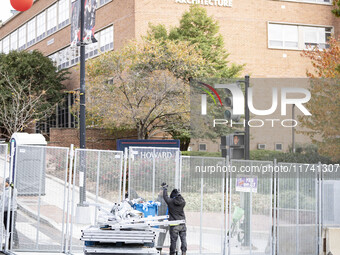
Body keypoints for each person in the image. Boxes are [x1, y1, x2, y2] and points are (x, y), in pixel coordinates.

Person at [161, 182, 187, 255]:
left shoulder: (170, 202)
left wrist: (165, 188)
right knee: (183, 239)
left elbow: (165, 196)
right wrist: (179, 194)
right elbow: (181, 198)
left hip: (174, 225)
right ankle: (184, 252)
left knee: (173, 241)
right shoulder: (182, 202)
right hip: (182, 223)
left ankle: (172, 253)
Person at [2, 177, 19, 248]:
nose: (3, 183)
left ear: (8, 183)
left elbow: (8, 199)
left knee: (11, 227)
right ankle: (8, 244)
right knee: (7, 227)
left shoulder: (12, 190)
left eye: (5, 182)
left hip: (11, 211)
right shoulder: (5, 190)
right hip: (5, 211)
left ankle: (15, 243)